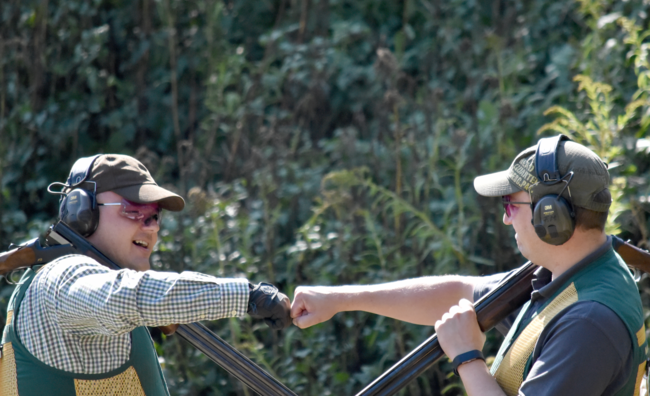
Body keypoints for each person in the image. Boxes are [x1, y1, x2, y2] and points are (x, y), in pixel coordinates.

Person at [291, 135, 647, 396]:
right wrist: (338, 300)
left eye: (510, 205)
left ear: (550, 217)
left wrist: (467, 358)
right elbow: (458, 293)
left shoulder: (588, 323)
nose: (507, 220)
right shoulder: (569, 271)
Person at [0, 154, 291, 395]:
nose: (151, 226)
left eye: (154, 215)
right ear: (82, 212)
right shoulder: (62, 278)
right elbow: (125, 295)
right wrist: (249, 297)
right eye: (133, 209)